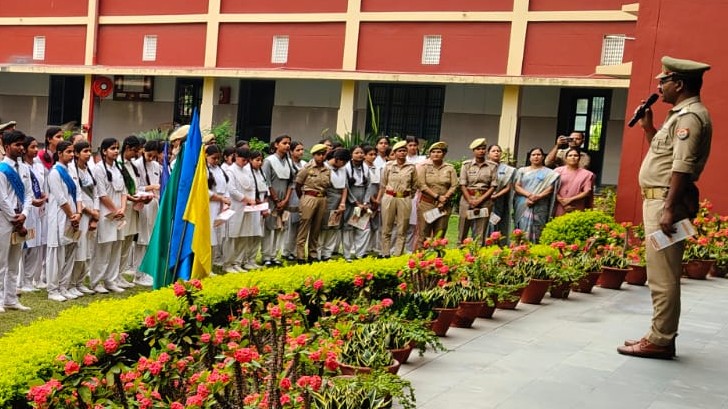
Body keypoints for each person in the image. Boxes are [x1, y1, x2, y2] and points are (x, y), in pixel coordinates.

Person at [618, 56, 712, 359]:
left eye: (664, 81)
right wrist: (649, 128)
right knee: (660, 271)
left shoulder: (689, 117)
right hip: (659, 199)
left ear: (679, 84)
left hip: (664, 202)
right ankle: (658, 334)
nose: (659, 87)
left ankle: (661, 339)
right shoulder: (678, 116)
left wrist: (669, 209)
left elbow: (682, 166)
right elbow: (666, 156)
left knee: (663, 275)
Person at [0, 130, 33, 312]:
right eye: (17, 145)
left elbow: (29, 195)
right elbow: (2, 198)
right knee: (1, 262)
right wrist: (15, 218)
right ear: (7, 147)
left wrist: (25, 214)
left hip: (20, 218)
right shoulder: (2, 169)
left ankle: (10, 299)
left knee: (14, 262)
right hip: (4, 219)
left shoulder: (25, 168)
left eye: (22, 144)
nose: (21, 148)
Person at [45, 141, 82, 301]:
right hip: (60, 217)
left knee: (70, 251)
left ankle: (64, 286)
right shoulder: (55, 173)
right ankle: (53, 289)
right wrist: (72, 215)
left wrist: (78, 213)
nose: (72, 155)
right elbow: (60, 198)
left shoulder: (72, 170)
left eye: (73, 152)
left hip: (73, 217)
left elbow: (78, 193)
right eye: (68, 152)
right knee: (56, 254)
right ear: (59, 153)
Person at [89, 138, 127, 294]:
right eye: (112, 148)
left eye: (117, 148)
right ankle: (96, 281)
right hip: (106, 213)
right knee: (103, 248)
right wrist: (116, 210)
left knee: (116, 247)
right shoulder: (98, 169)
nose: (116, 151)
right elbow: (102, 194)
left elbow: (124, 191)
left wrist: (122, 208)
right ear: (104, 151)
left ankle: (111, 280)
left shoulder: (118, 167)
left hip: (119, 213)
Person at [378, 140, 418, 257]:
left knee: (402, 227)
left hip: (404, 198)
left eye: (404, 151)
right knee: (387, 226)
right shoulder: (388, 166)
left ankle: (398, 253)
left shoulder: (411, 167)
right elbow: (383, 183)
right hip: (389, 197)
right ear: (395, 153)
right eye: (399, 151)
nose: (402, 153)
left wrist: (408, 195)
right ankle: (385, 253)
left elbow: (415, 184)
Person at [19, 136, 48, 292]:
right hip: (26, 210)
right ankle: (20, 281)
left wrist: (43, 195)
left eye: (37, 147)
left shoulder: (38, 166)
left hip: (38, 210)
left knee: (36, 245)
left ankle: (29, 281)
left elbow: (41, 187)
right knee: (25, 245)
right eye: (32, 147)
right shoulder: (20, 166)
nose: (36, 150)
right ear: (24, 149)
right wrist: (32, 201)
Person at [415, 142, 457, 249]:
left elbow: (454, 185)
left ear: (444, 154)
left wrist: (444, 198)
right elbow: (421, 185)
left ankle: (437, 257)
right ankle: (421, 257)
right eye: (433, 152)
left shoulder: (450, 168)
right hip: (427, 204)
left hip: (444, 206)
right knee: (423, 235)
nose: (436, 154)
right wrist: (437, 197)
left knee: (440, 235)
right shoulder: (424, 167)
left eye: (439, 152)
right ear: (430, 154)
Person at [69, 141, 98, 295]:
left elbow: (96, 194)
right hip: (81, 214)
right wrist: (89, 212)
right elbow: (77, 196)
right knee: (79, 250)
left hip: (92, 215)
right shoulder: (73, 171)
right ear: (76, 153)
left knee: (88, 251)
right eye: (85, 151)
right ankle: (72, 283)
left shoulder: (89, 170)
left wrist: (95, 215)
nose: (88, 154)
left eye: (89, 151)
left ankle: (80, 282)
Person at [513, 147, 559, 243]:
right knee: (522, 229)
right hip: (523, 204)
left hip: (540, 204)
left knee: (538, 228)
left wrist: (538, 197)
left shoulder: (550, 173)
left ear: (543, 157)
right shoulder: (522, 171)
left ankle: (536, 247)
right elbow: (517, 186)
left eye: (538, 154)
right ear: (530, 158)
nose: (536, 157)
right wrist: (529, 195)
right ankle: (520, 247)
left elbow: (550, 188)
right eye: (533, 155)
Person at [295, 144, 330, 263]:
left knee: (316, 227)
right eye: (318, 154)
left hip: (322, 198)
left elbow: (327, 185)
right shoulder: (307, 168)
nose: (321, 157)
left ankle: (312, 254)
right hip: (309, 196)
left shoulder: (326, 169)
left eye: (323, 154)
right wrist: (303, 199)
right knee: (304, 226)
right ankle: (300, 255)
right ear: (313, 155)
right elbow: (298, 185)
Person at [458, 138, 497, 245]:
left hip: (485, 200)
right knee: (463, 228)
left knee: (481, 230)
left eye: (483, 149)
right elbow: (462, 184)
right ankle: (460, 250)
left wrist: (479, 200)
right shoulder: (466, 165)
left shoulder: (492, 166)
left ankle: (478, 251)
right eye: (478, 149)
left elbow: (493, 186)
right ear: (473, 151)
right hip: (467, 198)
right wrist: (470, 201)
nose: (481, 151)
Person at [262, 135, 294, 267]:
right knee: (269, 227)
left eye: (289, 143)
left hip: (284, 200)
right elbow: (267, 182)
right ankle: (266, 255)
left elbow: (291, 183)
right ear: (276, 145)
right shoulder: (269, 161)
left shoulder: (289, 162)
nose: (287, 146)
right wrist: (276, 199)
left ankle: (275, 255)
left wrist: (285, 200)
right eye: (284, 143)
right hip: (272, 199)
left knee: (280, 227)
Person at [319, 148, 350, 261]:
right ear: (337, 159)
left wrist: (342, 202)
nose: (344, 164)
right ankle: (318, 253)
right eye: (343, 162)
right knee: (323, 227)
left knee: (334, 227)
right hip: (327, 199)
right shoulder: (324, 167)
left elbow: (345, 187)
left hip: (339, 200)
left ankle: (327, 254)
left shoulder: (343, 169)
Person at [205, 145, 232, 270]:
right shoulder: (204, 170)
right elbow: (205, 191)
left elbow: (225, 187)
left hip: (220, 205)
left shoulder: (219, 170)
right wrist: (220, 198)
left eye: (218, 158)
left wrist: (226, 200)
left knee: (218, 235)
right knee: (209, 236)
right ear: (206, 156)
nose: (216, 161)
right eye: (213, 158)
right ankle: (206, 266)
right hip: (210, 205)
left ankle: (213, 263)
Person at [343, 145, 370, 261]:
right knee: (348, 228)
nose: (360, 155)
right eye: (357, 153)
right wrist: (355, 202)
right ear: (351, 155)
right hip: (351, 200)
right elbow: (346, 187)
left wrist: (365, 202)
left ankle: (360, 253)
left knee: (363, 227)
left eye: (361, 152)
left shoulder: (366, 167)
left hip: (363, 198)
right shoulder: (346, 168)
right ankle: (347, 254)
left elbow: (369, 185)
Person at [485, 144, 516, 240]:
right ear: (488, 154)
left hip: (498, 201)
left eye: (498, 151)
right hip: (483, 200)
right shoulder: (484, 166)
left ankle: (494, 242)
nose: (496, 153)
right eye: (493, 151)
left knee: (495, 223)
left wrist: (496, 195)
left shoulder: (507, 169)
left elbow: (508, 187)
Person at [282, 141, 306, 261]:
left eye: (302, 149)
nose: (301, 152)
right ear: (291, 152)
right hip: (291, 195)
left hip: (302, 196)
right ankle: (286, 251)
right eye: (298, 150)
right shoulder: (287, 164)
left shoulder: (305, 164)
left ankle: (294, 251)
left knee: (299, 225)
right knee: (289, 225)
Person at [553, 148, 595, 216]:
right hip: (559, 205)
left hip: (576, 206)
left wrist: (570, 200)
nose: (573, 157)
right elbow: (551, 188)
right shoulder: (557, 171)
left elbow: (587, 191)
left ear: (579, 158)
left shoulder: (587, 174)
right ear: (565, 158)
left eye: (575, 155)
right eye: (570, 155)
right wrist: (562, 201)